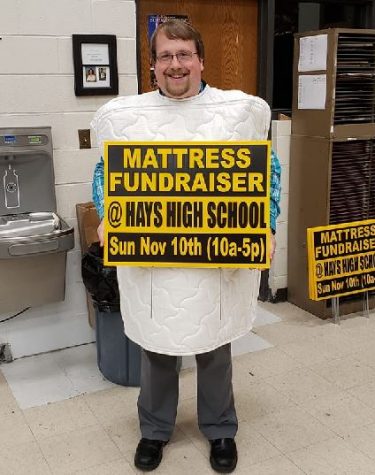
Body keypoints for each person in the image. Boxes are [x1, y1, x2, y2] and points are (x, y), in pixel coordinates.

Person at [91, 19, 281, 473]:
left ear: (200, 60)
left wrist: (267, 223)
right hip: (155, 258)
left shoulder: (238, 113)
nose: (175, 64)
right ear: (153, 65)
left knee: (214, 345)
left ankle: (220, 430)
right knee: (158, 346)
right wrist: (107, 216)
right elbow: (106, 173)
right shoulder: (126, 118)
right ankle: (155, 430)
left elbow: (266, 171)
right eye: (165, 56)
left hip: (216, 257)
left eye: (183, 55)